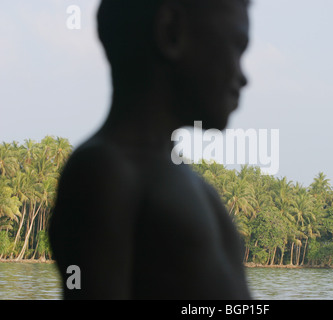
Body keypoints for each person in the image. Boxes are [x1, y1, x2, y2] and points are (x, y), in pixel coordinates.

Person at [49, 0, 252, 299]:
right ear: (171, 31)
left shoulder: (192, 184)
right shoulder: (104, 173)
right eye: (236, 47)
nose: (243, 77)